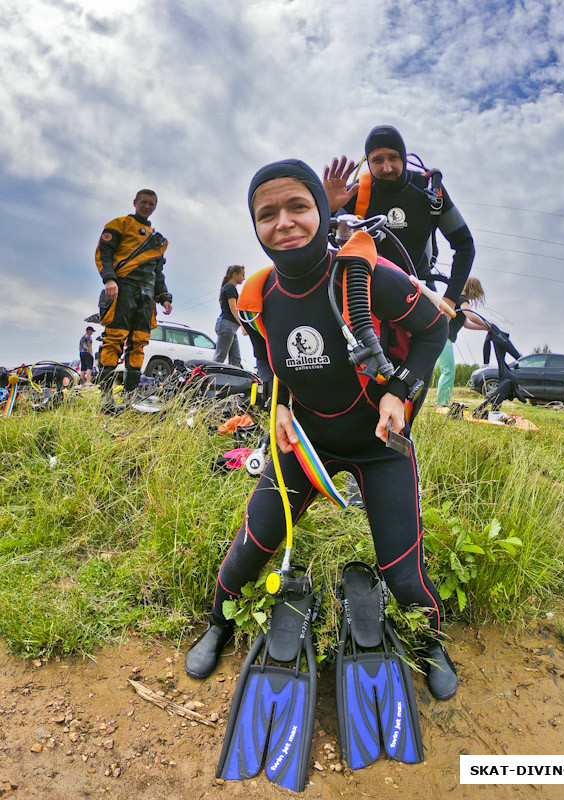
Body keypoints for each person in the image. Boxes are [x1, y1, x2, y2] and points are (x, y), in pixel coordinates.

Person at [185, 159, 458, 701]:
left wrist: (398, 392)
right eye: (267, 214)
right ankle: (219, 623)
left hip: (379, 447)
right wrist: (279, 403)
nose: (283, 222)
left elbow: (435, 330)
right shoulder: (255, 296)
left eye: (298, 207)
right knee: (250, 548)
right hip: (304, 445)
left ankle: (429, 643)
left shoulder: (365, 276)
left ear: (323, 209)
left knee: (403, 575)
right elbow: (267, 356)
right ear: (254, 226)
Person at [323, 125, 475, 312]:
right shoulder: (355, 192)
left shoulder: (429, 191)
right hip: (365, 297)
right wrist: (328, 210)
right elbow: (316, 241)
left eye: (393, 158)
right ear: (368, 163)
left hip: (419, 295)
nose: (387, 168)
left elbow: (464, 244)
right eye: (377, 160)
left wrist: (450, 299)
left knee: (438, 339)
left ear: (403, 157)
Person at [94, 189, 172, 411]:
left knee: (139, 344)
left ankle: (130, 398)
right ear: (135, 202)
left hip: (147, 295)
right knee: (113, 340)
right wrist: (109, 279)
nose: (147, 206)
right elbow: (104, 253)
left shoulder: (157, 240)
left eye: (152, 203)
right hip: (122, 289)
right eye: (144, 202)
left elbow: (158, 272)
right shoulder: (119, 224)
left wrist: (164, 297)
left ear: (155, 206)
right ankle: (106, 398)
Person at [436, 277, 489, 408]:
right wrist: (487, 323)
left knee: (446, 370)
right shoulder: (462, 299)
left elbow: (466, 323)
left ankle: (441, 403)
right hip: (443, 336)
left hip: (442, 336)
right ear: (473, 289)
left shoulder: (459, 300)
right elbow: (470, 315)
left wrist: (485, 327)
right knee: (448, 370)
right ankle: (441, 405)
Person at [213, 265, 247, 367]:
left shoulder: (230, 287)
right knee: (220, 357)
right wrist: (242, 325)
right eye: (242, 275)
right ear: (235, 274)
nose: (244, 278)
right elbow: (233, 307)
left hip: (231, 328)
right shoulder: (230, 287)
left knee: (236, 359)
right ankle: (208, 378)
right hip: (227, 326)